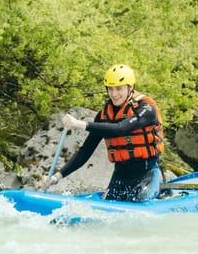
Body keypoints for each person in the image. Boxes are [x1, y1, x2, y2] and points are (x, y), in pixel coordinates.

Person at [41, 64, 164, 202]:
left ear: (131, 87)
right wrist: (57, 176)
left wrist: (78, 123)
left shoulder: (146, 109)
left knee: (140, 203)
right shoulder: (104, 116)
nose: (114, 94)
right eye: (110, 89)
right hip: (120, 176)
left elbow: (120, 129)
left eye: (119, 88)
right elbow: (85, 151)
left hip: (147, 173)